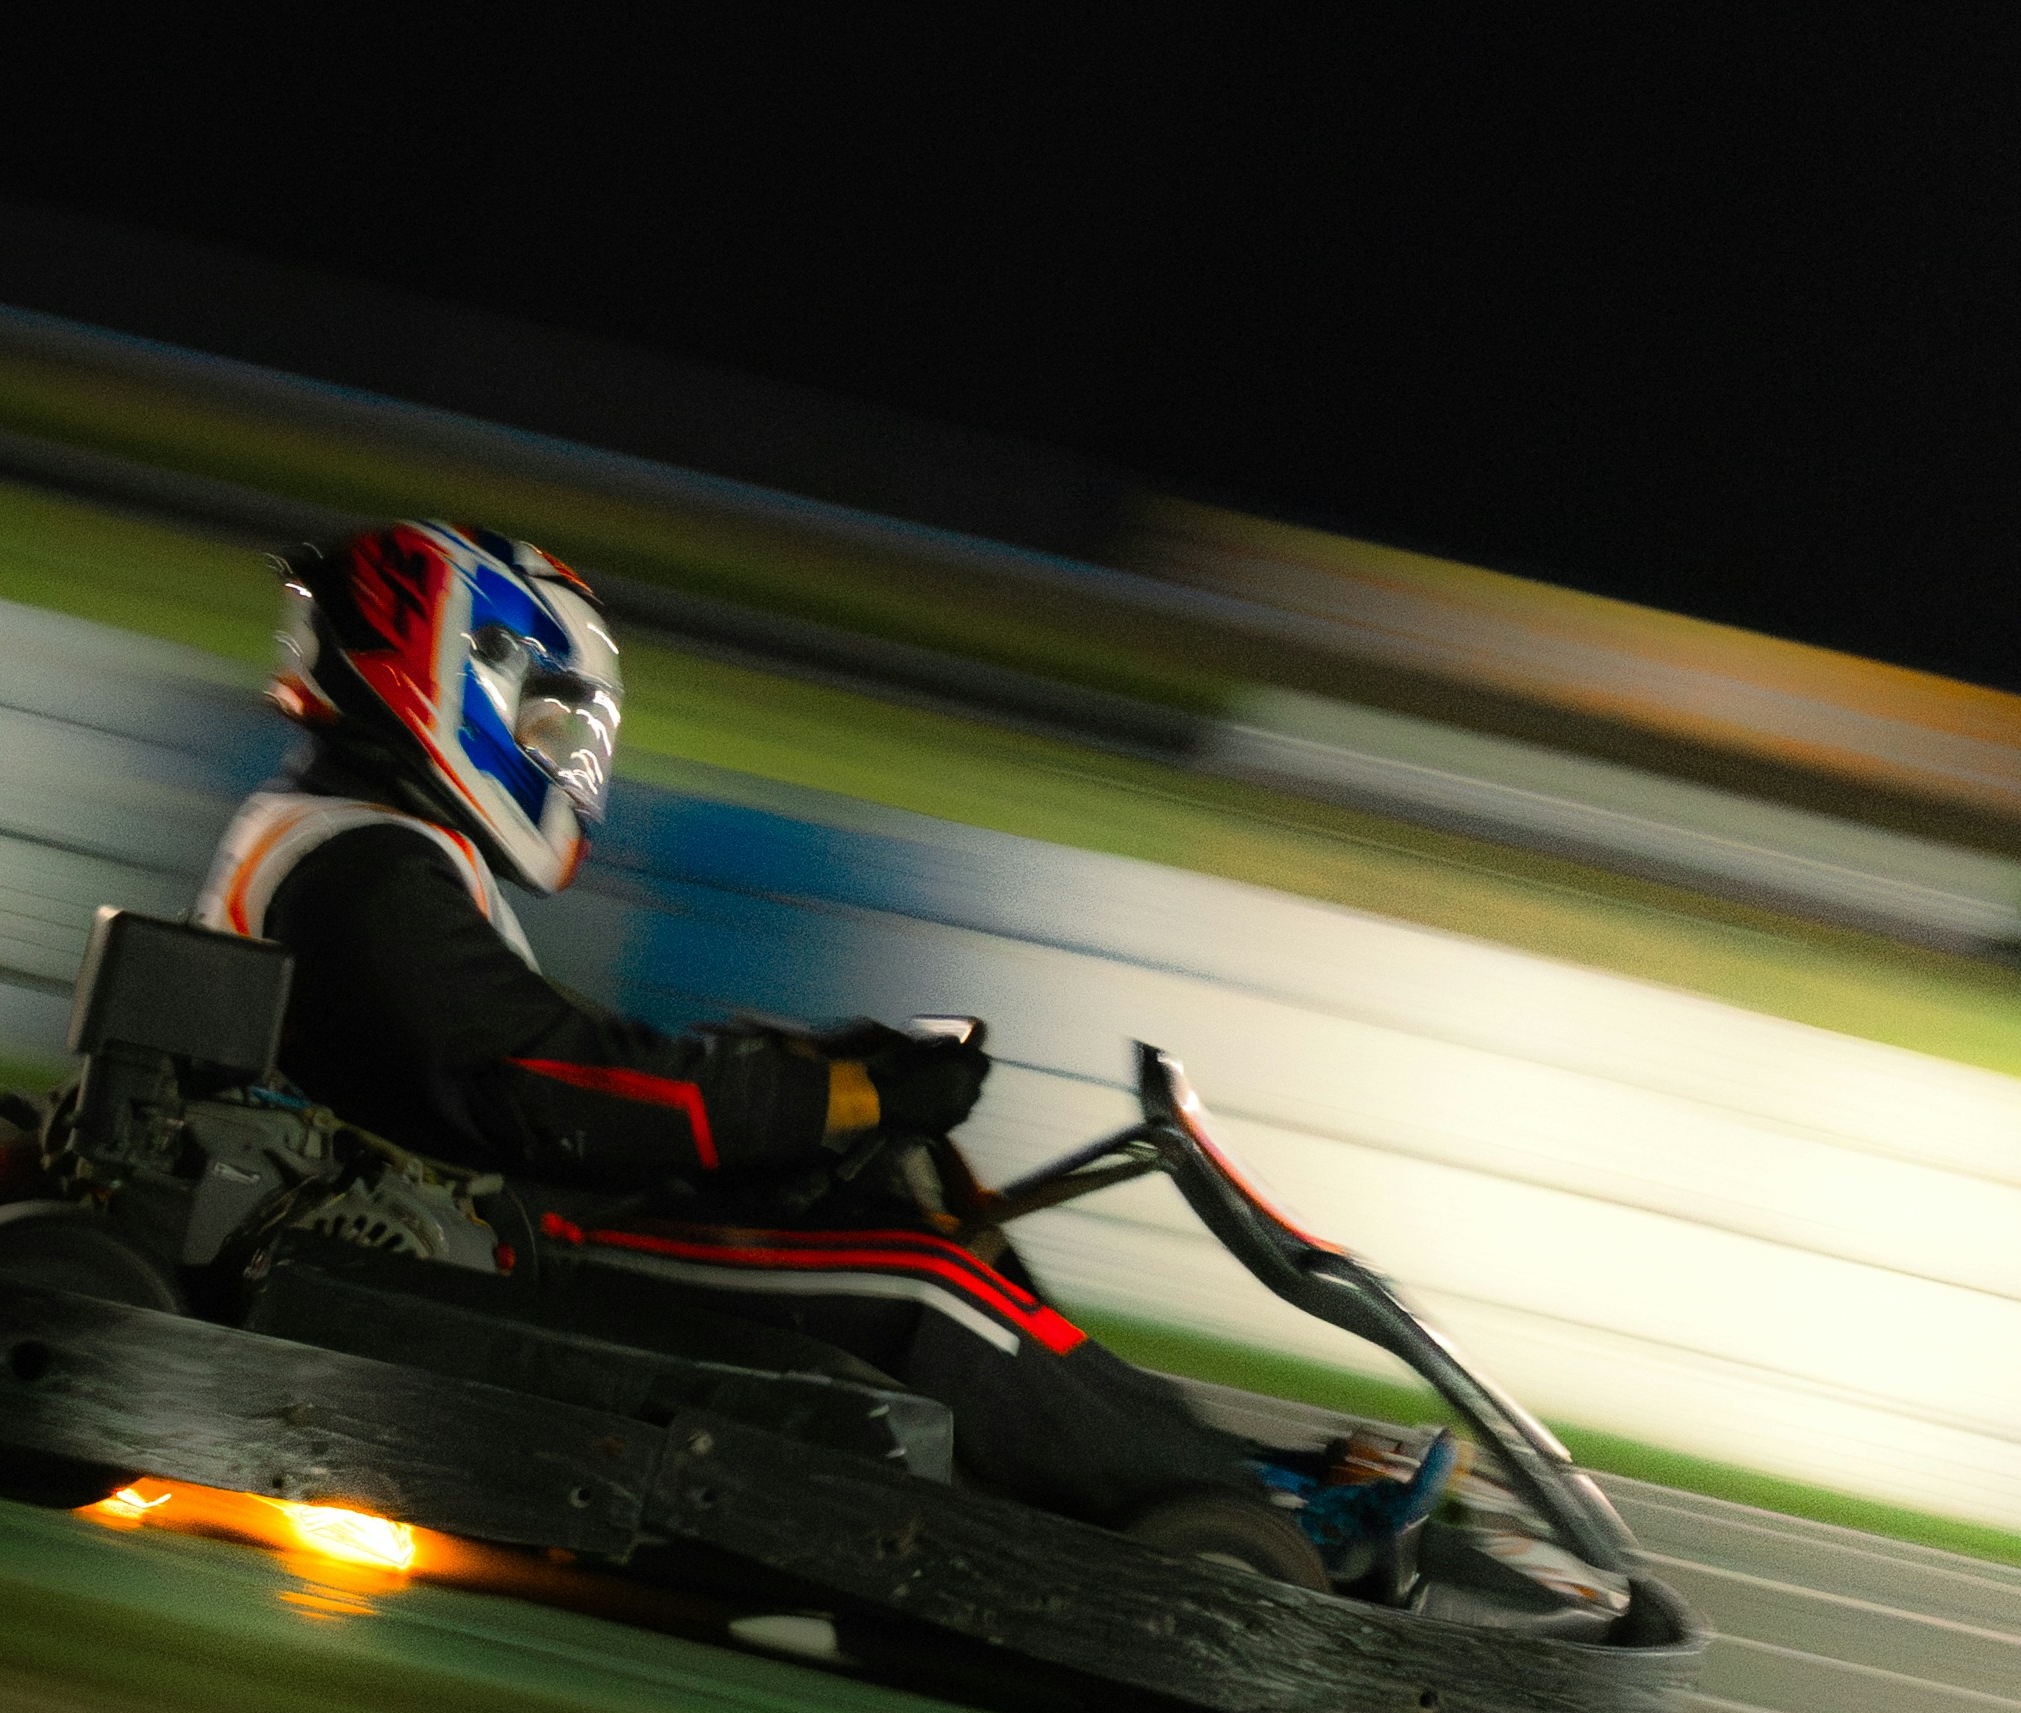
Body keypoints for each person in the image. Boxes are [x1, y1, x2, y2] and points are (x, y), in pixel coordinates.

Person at [189, 521, 1295, 1564]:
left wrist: (827, 1083)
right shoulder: (367, 870)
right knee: (922, 1291)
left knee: (884, 1208)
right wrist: (838, 1095)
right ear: (443, 672)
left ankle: (1207, 1480)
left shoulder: (356, 839)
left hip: (470, 1207)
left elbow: (555, 1064)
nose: (556, 755)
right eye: (541, 719)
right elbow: (552, 1089)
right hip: (474, 1244)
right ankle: (1222, 1533)